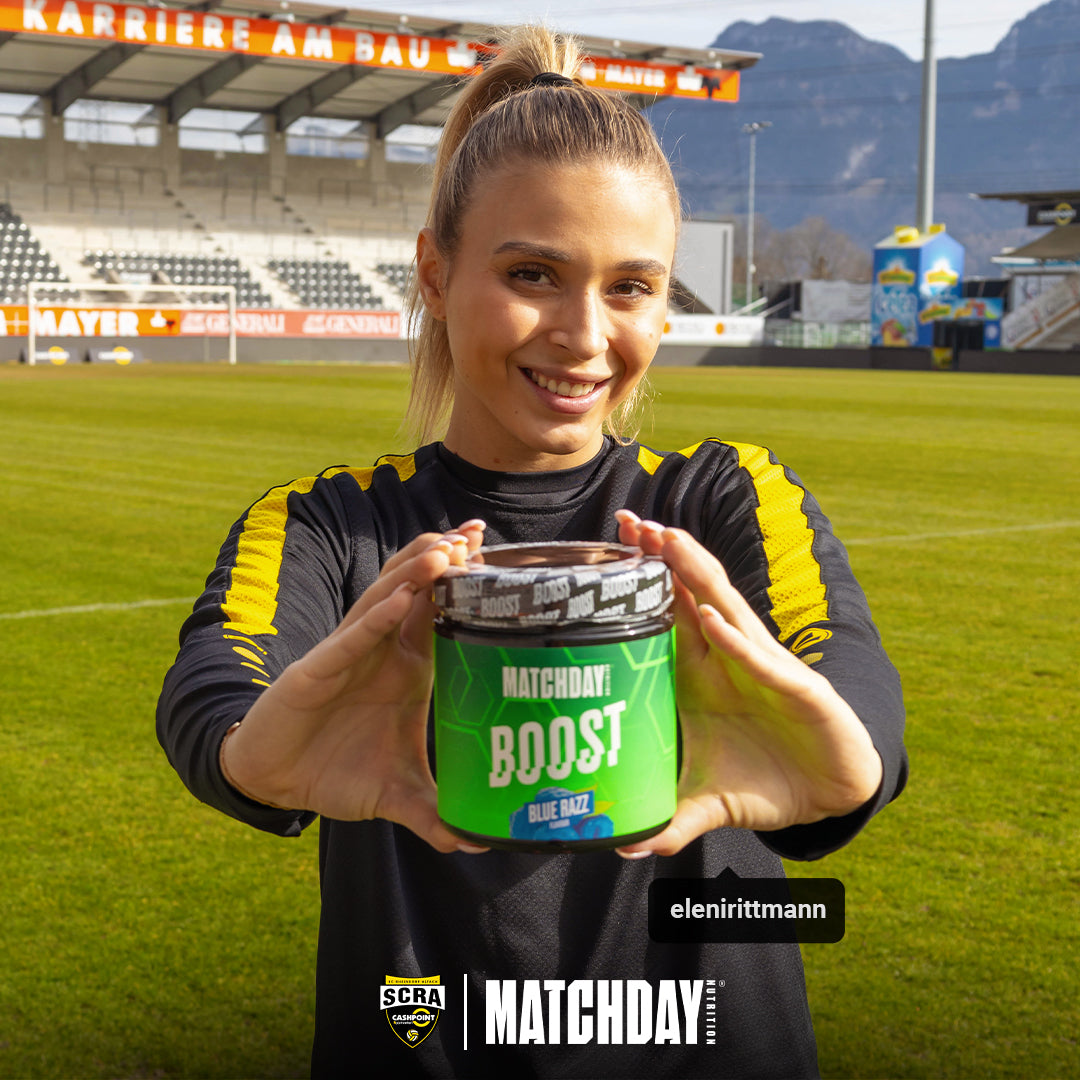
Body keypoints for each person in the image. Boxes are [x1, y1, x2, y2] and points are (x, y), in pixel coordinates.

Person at [157, 26, 906, 1079]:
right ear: (435, 270)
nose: (585, 335)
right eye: (534, 274)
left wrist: (843, 761)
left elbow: (852, 679)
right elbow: (213, 693)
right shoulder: (330, 526)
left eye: (631, 287)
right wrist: (254, 757)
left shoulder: (725, 496)